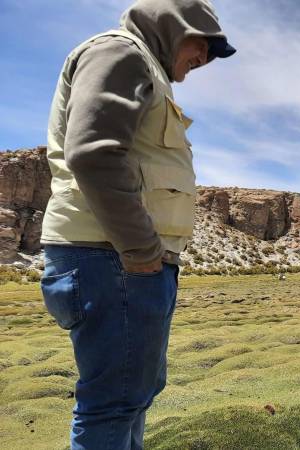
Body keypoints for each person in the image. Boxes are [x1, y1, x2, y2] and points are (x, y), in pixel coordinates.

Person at [38, 1, 235, 448]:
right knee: (113, 403)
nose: (203, 60)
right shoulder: (121, 53)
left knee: (131, 396)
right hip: (112, 258)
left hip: (121, 260)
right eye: (204, 45)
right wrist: (142, 251)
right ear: (175, 26)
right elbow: (94, 154)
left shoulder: (144, 66)